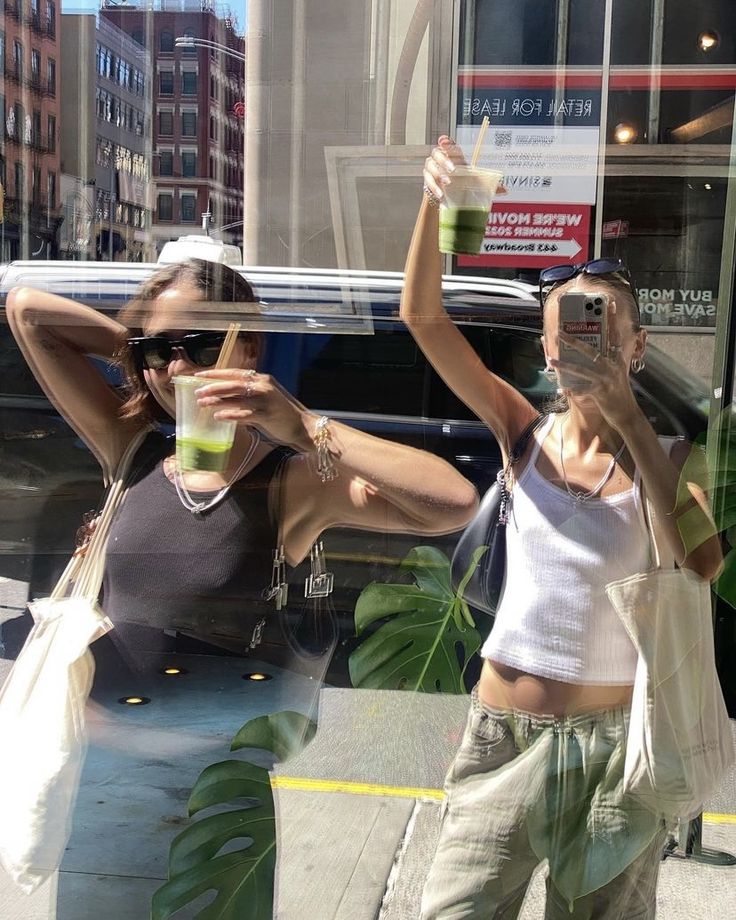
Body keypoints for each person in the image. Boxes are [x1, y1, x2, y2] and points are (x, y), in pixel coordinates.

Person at [401, 137, 724, 919]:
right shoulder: (522, 432)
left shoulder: (678, 456)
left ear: (638, 347)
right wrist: (434, 202)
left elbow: (702, 563)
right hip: (500, 739)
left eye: (607, 331)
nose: (590, 344)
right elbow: (422, 316)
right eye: (573, 331)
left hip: (615, 758)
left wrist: (630, 424)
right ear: (547, 347)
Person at [6, 257, 479, 670]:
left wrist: (304, 425)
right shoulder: (133, 450)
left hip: (217, 760)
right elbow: (27, 310)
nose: (180, 368)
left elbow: (453, 504)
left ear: (250, 348)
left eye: (204, 345)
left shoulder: (291, 481)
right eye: (158, 350)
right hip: (110, 759)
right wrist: (146, 359)